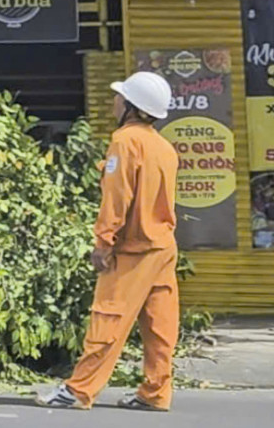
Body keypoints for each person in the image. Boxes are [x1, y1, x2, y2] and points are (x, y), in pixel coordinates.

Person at [40, 71, 179, 411]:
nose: (114, 101)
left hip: (133, 249)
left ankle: (78, 391)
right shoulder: (164, 148)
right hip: (163, 247)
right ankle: (156, 392)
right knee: (160, 325)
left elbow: (117, 198)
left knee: (108, 318)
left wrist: (103, 243)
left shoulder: (125, 141)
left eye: (119, 97)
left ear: (131, 107)